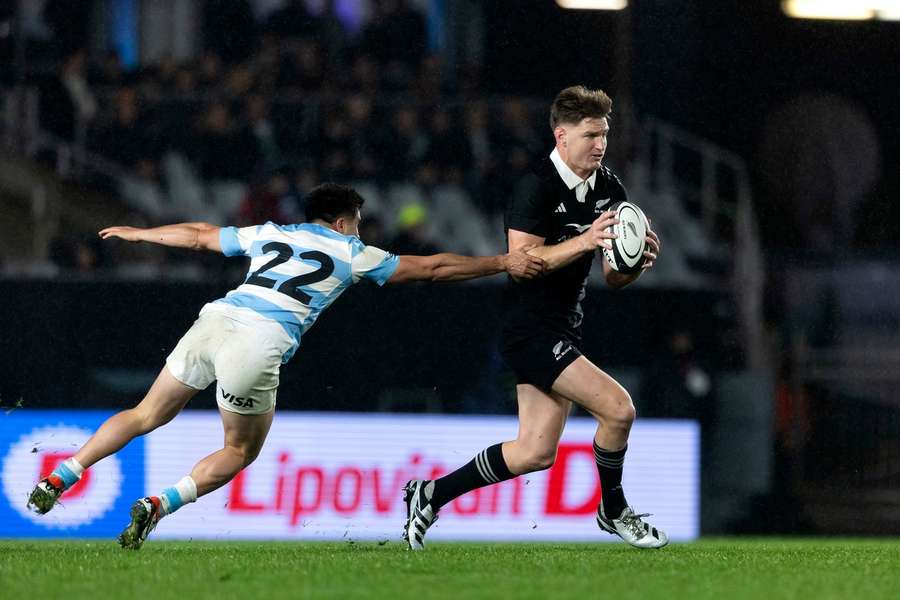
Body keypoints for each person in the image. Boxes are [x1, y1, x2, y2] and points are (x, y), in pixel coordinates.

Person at [27, 182, 544, 550]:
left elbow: (201, 233)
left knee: (144, 414)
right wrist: (501, 262)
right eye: (356, 222)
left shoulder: (269, 232)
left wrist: (139, 234)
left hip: (216, 318)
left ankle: (63, 473)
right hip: (258, 340)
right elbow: (430, 268)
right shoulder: (351, 250)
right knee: (240, 449)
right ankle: (160, 503)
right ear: (343, 222)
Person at [402, 86, 667, 550]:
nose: (600, 144)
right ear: (561, 136)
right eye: (590, 135)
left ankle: (430, 494)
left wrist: (633, 263)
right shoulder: (534, 187)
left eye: (604, 133)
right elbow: (522, 262)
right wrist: (584, 241)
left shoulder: (610, 188)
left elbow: (611, 274)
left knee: (535, 451)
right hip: (528, 328)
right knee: (619, 408)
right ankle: (613, 509)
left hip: (565, 326)